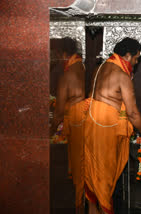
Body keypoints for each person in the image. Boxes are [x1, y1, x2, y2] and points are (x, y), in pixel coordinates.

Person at [84, 37, 141, 214]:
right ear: (128, 55)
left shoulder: (100, 69)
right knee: (104, 180)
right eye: (136, 58)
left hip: (91, 125)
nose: (136, 63)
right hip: (106, 129)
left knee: (93, 178)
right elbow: (132, 113)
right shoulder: (122, 76)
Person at [51, 37, 86, 214]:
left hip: (77, 125)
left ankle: (78, 208)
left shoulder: (67, 74)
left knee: (77, 173)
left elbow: (57, 113)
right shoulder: (83, 67)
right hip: (88, 122)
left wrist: (48, 132)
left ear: (63, 54)